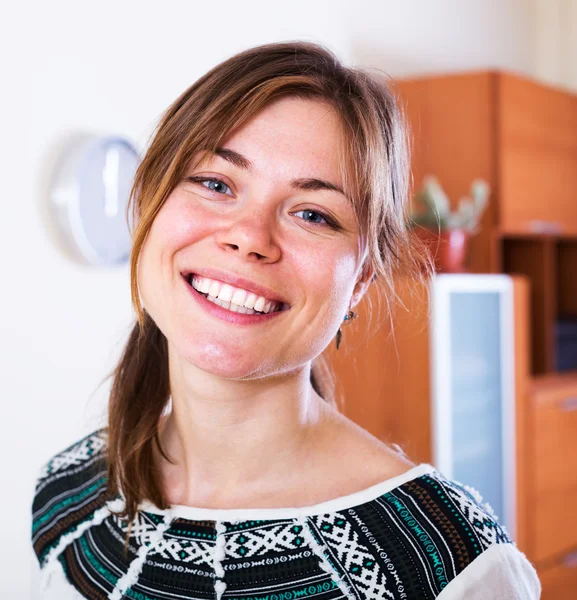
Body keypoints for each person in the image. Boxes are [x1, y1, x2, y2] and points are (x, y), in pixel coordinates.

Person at [31, 41, 541, 599]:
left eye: (312, 214)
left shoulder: (451, 564)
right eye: (216, 183)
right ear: (149, 205)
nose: (249, 237)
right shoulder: (68, 494)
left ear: (362, 280)